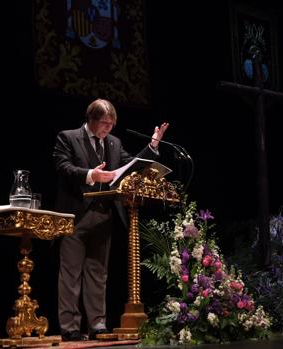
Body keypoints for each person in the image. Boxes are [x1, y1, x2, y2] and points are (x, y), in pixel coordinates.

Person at [53, 98, 169, 341]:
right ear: (91, 120)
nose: (108, 128)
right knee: (71, 273)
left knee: (98, 273)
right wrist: (91, 175)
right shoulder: (68, 137)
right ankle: (70, 327)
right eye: (104, 123)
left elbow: (131, 166)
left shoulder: (114, 143)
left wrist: (153, 145)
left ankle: (97, 324)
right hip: (76, 215)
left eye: (111, 124)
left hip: (104, 215)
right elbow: (62, 167)